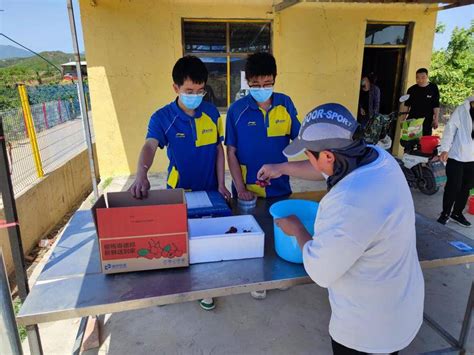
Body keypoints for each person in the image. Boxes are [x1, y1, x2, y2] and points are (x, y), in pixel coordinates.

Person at [258, 103, 424, 355]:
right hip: (399, 302)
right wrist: (280, 168)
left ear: (327, 156)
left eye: (309, 155)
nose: (309, 160)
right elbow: (323, 170)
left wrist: (298, 230)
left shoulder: (350, 201)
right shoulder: (376, 157)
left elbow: (320, 271)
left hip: (367, 330)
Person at [129, 55, 231, 311]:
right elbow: (150, 146)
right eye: (189, 91)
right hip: (180, 190)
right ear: (175, 88)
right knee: (179, 239)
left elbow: (218, 149)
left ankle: (206, 287)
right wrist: (141, 174)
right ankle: (177, 284)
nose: (195, 96)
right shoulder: (163, 117)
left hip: (210, 189)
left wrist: (221, 182)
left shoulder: (210, 112)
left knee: (208, 238)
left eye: (200, 90)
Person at [225, 52, 301, 299]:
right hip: (248, 190)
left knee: (278, 231)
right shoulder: (237, 110)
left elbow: (299, 141)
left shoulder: (286, 104)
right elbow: (231, 152)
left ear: (275, 80)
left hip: (280, 186)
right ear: (247, 82)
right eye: (255, 85)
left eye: (267, 84)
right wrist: (240, 187)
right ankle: (256, 280)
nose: (261, 89)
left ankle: (276, 275)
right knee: (252, 235)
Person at [437, 96, 474, 227]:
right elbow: (450, 129)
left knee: (466, 187)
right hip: (457, 156)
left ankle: (457, 213)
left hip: (473, 159)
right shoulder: (462, 109)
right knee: (453, 186)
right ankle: (445, 213)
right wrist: (445, 149)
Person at [402, 68, 440, 136]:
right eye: (417, 78)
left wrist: (436, 119)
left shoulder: (433, 88)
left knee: (424, 144)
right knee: (409, 144)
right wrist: (403, 120)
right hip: (413, 121)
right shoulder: (411, 90)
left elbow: (436, 105)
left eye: (423, 77)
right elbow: (406, 106)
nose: (420, 80)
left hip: (427, 121)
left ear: (427, 77)